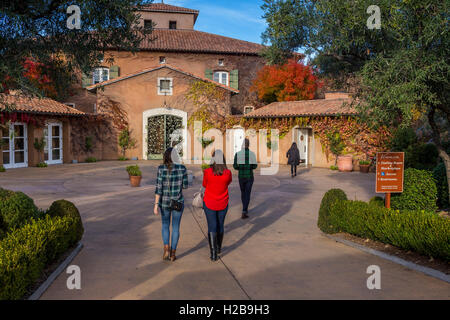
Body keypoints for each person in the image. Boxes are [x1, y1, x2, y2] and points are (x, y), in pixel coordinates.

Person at [154, 147, 188, 261]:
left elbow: (158, 188)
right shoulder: (182, 168)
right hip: (178, 202)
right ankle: (173, 253)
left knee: (165, 225)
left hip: (164, 203)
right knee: (176, 227)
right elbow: (185, 186)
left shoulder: (161, 169)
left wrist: (155, 204)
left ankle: (166, 249)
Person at [202, 150, 232, 261]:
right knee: (220, 225)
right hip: (223, 202)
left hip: (209, 202)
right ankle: (219, 247)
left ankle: (213, 253)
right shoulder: (227, 173)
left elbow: (204, 184)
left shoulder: (207, 172)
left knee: (212, 226)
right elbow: (228, 182)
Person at [233, 138, 257, 219]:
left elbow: (235, 166)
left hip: (241, 176)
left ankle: (244, 209)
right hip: (249, 176)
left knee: (243, 193)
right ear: (248, 145)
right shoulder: (252, 154)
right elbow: (255, 166)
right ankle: (244, 210)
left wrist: (240, 168)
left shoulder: (238, 154)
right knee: (247, 193)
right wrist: (249, 167)